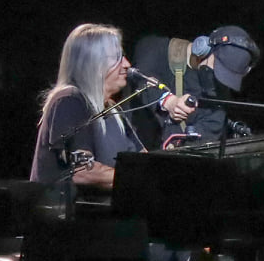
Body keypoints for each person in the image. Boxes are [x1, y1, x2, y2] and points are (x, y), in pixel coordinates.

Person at [31, 23, 192, 189]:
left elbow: (142, 161)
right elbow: (83, 172)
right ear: (93, 62)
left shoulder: (114, 110)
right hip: (66, 212)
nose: (127, 64)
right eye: (117, 57)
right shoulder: (69, 100)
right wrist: (143, 177)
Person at [131, 26, 261, 146]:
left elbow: (206, 135)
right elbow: (139, 77)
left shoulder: (219, 96)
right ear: (203, 48)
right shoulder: (156, 48)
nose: (219, 81)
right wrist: (168, 101)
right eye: (218, 70)